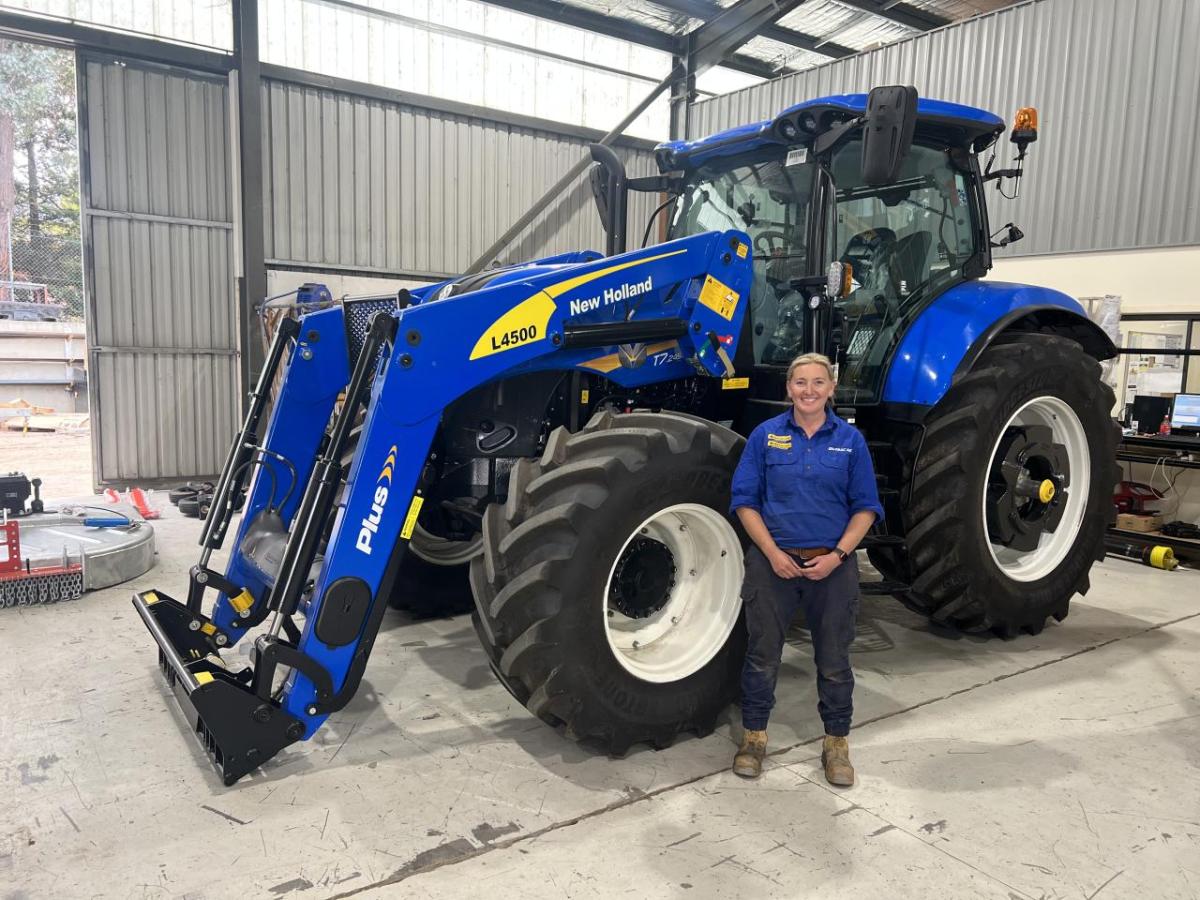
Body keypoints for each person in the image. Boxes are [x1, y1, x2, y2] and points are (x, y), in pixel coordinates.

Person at [728, 352, 883, 786]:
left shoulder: (851, 442)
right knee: (761, 657)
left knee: (834, 660)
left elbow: (866, 508)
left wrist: (838, 556)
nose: (809, 391)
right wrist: (773, 554)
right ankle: (754, 739)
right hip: (773, 562)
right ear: (788, 388)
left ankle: (836, 745)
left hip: (832, 567)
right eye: (800, 382)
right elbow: (745, 501)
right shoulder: (765, 436)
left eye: (818, 382)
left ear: (831, 388)